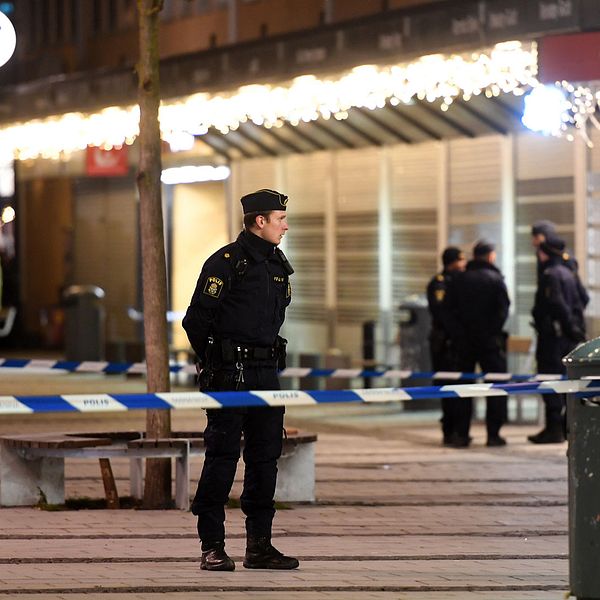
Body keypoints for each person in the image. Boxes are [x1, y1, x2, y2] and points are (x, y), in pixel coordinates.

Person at [182, 188, 299, 572]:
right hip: (230, 376)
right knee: (222, 458)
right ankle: (212, 545)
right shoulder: (226, 263)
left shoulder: (278, 264)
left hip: (266, 374)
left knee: (266, 459)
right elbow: (195, 321)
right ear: (259, 221)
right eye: (279, 219)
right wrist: (216, 362)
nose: (285, 225)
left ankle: (259, 546)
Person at [444, 240, 510, 448]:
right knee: (496, 387)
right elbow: (503, 310)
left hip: (464, 343)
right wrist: (492, 332)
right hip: (489, 343)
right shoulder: (495, 279)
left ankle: (462, 434)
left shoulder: (459, 279)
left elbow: (447, 310)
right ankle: (493, 434)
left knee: (464, 388)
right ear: (490, 256)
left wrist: (459, 334)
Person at [528, 234, 587, 444]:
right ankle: (566, 427)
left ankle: (554, 428)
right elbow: (584, 298)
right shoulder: (569, 272)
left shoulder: (551, 274)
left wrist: (567, 326)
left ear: (544, 252)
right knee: (565, 383)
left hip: (553, 338)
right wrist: (576, 329)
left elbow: (556, 304)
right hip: (567, 337)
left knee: (550, 380)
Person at [426, 246, 466, 445]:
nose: (463, 264)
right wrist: (457, 333)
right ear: (452, 262)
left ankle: (458, 429)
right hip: (444, 342)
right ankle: (449, 429)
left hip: (456, 341)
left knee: (460, 387)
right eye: (460, 260)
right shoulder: (439, 284)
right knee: (447, 388)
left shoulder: (461, 281)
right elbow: (441, 313)